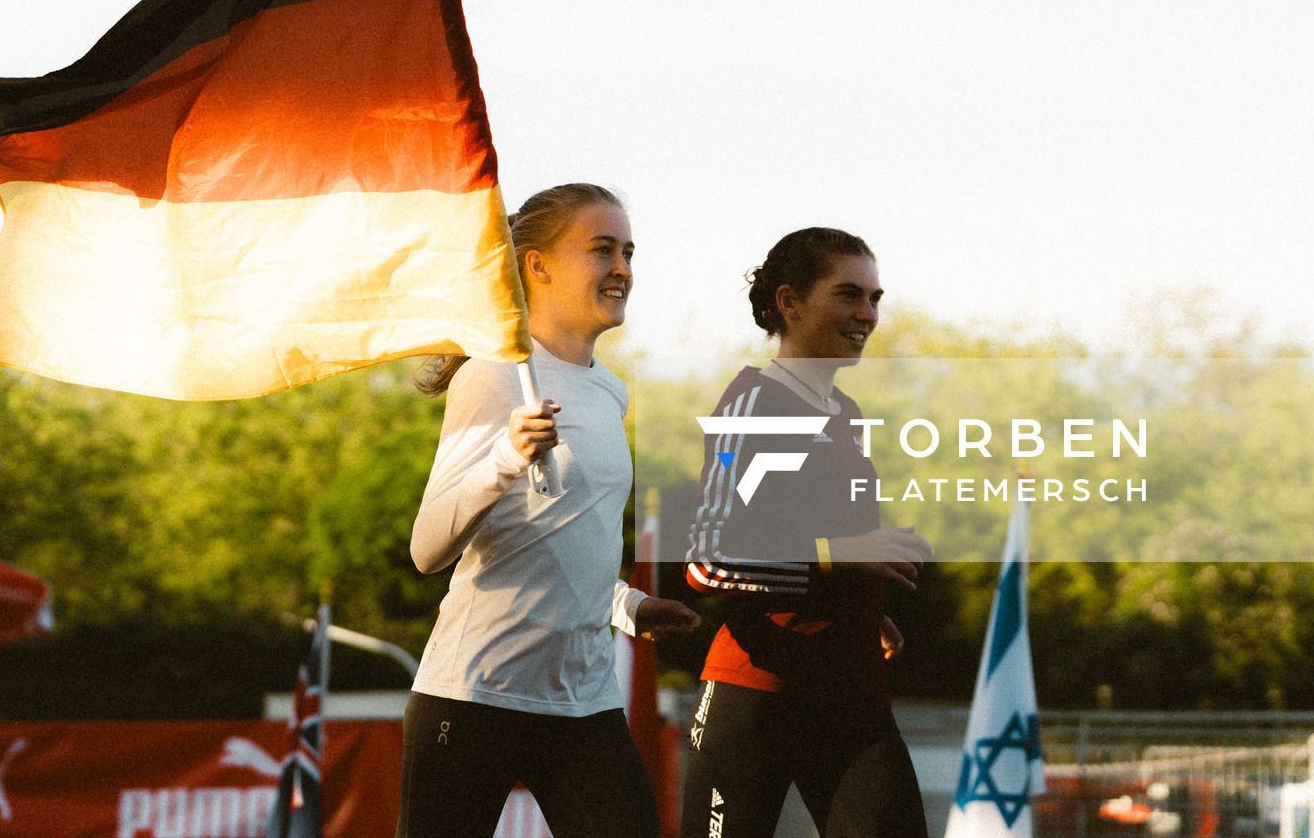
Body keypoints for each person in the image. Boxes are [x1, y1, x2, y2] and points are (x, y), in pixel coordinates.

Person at [399, 183, 701, 838]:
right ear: (537, 265)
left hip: (582, 700)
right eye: (601, 250)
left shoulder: (609, 393)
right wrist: (507, 454)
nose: (621, 268)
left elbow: (569, 538)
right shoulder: (494, 374)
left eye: (627, 252)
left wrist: (628, 607)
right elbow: (427, 549)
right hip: (475, 695)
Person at [680, 227, 933, 838]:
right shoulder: (758, 403)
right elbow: (709, 562)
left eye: (875, 298)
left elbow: (810, 544)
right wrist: (841, 558)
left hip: (851, 695)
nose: (867, 314)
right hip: (757, 694)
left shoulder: (845, 413)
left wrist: (861, 607)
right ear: (789, 303)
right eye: (849, 295)